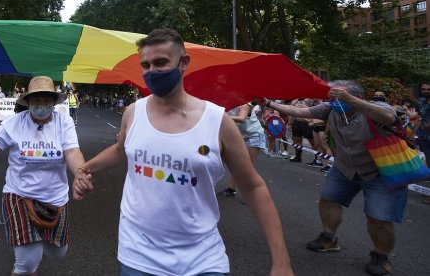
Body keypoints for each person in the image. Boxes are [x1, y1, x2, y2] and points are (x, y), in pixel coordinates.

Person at [73, 28, 293, 276]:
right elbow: (121, 149)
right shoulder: (133, 113)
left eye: (160, 62)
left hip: (202, 263)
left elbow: (254, 187)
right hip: (138, 259)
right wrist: (85, 168)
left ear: (184, 62)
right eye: (145, 65)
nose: (151, 71)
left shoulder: (217, 122)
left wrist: (281, 263)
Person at [264, 80, 402, 276]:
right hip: (344, 167)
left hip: (380, 171)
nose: (335, 101)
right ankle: (329, 239)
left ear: (356, 96)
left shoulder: (376, 107)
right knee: (328, 199)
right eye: (333, 97)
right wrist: (269, 103)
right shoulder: (330, 108)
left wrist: (351, 100)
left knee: (378, 217)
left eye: (340, 97)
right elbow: (300, 113)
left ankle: (381, 255)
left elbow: (389, 118)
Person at [0, 75, 87, 276]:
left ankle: (33, 246)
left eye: (47, 101)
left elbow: (72, 152)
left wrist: (81, 173)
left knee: (58, 253)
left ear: (54, 103)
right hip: (19, 195)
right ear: (27, 102)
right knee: (27, 263)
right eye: (36, 101)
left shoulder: (64, 122)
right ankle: (29, 255)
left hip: (56, 198)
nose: (42, 105)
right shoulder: (14, 123)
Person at [217, 102, 266, 198]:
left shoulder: (244, 104)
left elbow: (241, 118)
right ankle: (231, 190)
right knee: (237, 165)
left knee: (247, 167)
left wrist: (221, 116)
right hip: (240, 136)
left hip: (254, 135)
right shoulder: (225, 105)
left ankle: (254, 195)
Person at [415, 81, 430, 204]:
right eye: (423, 89)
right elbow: (419, 118)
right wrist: (413, 133)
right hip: (424, 137)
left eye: (428, 89)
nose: (426, 91)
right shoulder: (420, 101)